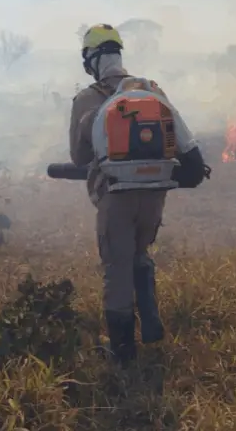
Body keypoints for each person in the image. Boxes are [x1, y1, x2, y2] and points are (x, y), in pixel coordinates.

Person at [69, 23, 208, 365]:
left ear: (91, 60)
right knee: (139, 253)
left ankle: (123, 354)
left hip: (116, 196)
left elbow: (80, 158)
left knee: (117, 269)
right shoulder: (152, 91)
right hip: (155, 196)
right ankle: (150, 322)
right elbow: (181, 139)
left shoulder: (87, 98)